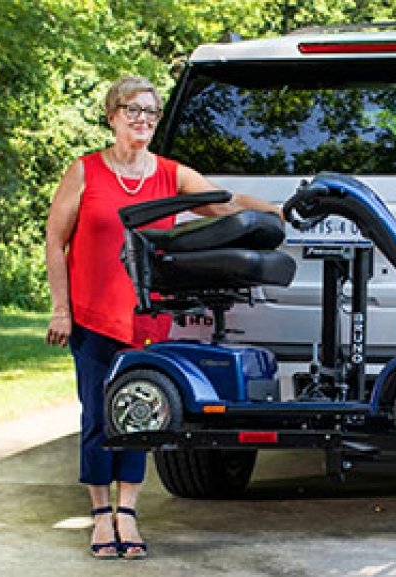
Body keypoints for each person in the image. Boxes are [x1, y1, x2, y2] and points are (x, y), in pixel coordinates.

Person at [44, 75, 281, 559]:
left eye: (151, 112)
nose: (143, 119)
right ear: (112, 116)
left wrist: (274, 210)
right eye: (133, 110)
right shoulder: (85, 171)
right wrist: (61, 309)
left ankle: (127, 514)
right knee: (97, 414)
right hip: (92, 316)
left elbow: (225, 203)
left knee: (142, 412)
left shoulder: (171, 174)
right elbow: (55, 239)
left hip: (146, 317)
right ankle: (100, 515)